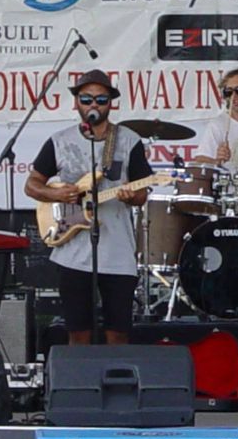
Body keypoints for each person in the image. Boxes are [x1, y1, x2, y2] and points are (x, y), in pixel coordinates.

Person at [25, 69, 153, 346]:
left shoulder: (128, 140)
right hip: (73, 248)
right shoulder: (60, 140)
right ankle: (77, 384)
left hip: (117, 247)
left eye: (101, 99)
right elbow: (32, 185)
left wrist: (131, 196)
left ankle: (118, 383)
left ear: (110, 103)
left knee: (118, 331)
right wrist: (58, 195)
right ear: (77, 102)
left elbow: (142, 192)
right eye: (86, 99)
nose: (93, 105)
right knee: (77, 330)